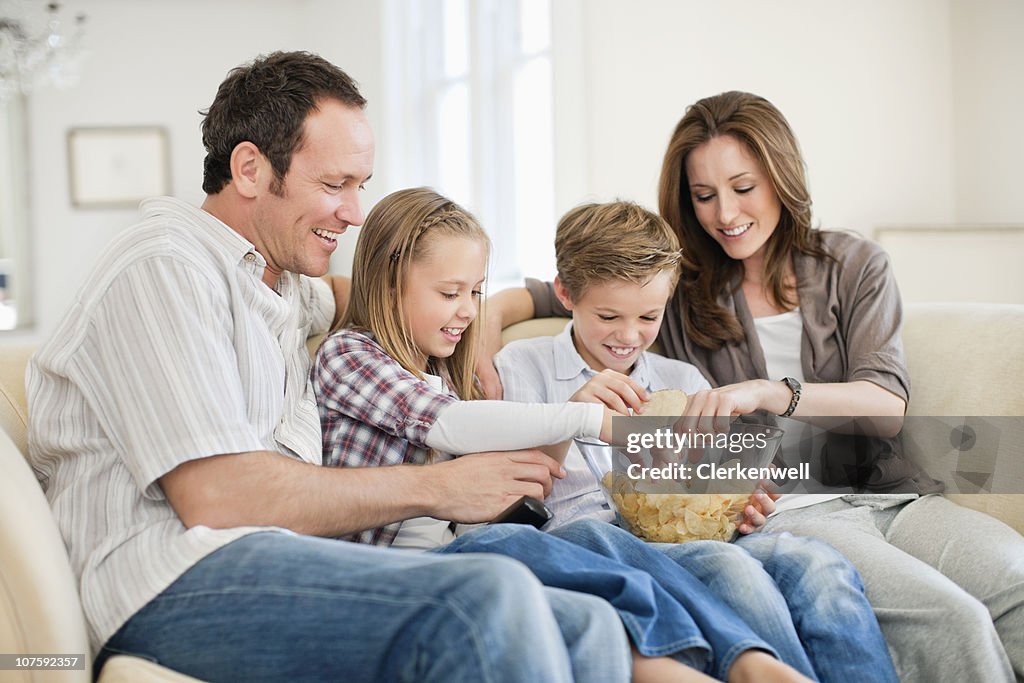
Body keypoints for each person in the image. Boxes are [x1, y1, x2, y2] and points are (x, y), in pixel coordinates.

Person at [25, 51, 638, 683]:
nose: (354, 212)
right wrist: (439, 488)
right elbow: (219, 496)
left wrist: (521, 302)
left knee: (586, 623)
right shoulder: (163, 267)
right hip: (169, 581)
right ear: (250, 169)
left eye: (360, 186)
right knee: (484, 598)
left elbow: (379, 292)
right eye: (333, 185)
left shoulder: (278, 279)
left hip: (272, 562)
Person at [480, 90, 1024, 683]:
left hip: (893, 490)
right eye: (703, 195)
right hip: (789, 508)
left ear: (780, 178)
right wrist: (485, 321)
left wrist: (767, 392)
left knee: (1013, 582)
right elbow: (582, 288)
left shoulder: (852, 264)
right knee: (952, 616)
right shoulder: (679, 290)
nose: (724, 213)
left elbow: (887, 407)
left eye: (744, 188)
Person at [313, 186, 814, 683]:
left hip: (459, 554)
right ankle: (742, 661)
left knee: (641, 578)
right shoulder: (350, 355)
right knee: (583, 538)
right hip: (387, 573)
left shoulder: (441, 370)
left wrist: (725, 492)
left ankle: (742, 662)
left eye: (475, 293)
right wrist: (583, 419)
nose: (468, 311)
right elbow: (449, 423)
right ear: (388, 284)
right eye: (450, 294)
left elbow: (483, 505)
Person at [493, 199, 898, 683]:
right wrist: (572, 416)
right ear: (565, 294)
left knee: (816, 562)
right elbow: (513, 497)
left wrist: (740, 497)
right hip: (593, 544)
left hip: (684, 539)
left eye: (648, 318)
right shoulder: (523, 364)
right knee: (734, 572)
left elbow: (711, 481)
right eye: (607, 316)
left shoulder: (680, 378)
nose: (628, 336)